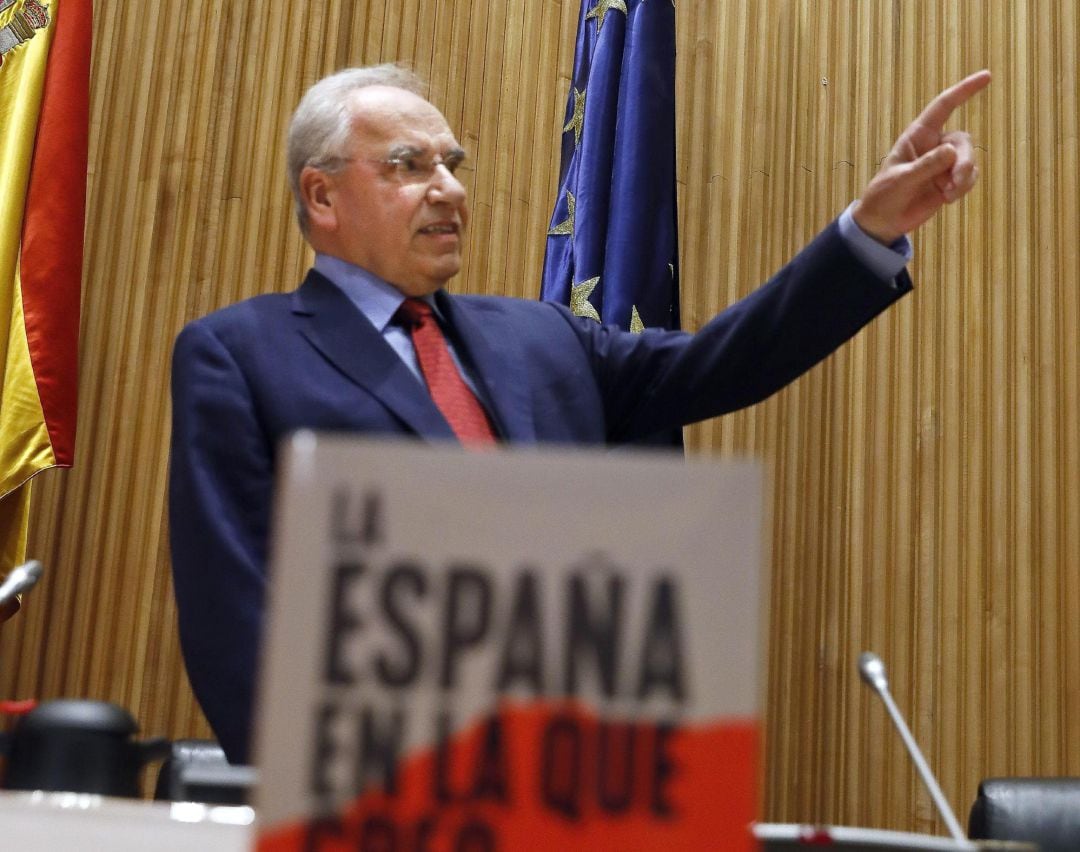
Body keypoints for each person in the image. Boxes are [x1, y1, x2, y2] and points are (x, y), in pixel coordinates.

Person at [169, 64, 990, 764]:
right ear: (322, 195)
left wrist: (870, 229)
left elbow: (724, 363)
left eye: (453, 163)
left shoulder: (542, 336)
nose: (450, 188)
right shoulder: (240, 355)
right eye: (409, 165)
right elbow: (235, 621)